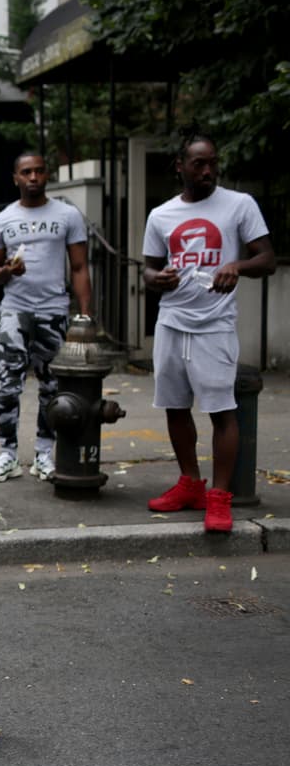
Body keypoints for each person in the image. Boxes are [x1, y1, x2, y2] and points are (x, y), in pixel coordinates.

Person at [141, 133, 275, 533]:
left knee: (221, 409)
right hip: (171, 320)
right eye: (198, 164)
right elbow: (147, 268)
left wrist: (237, 265)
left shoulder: (239, 204)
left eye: (212, 162)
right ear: (180, 166)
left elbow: (267, 258)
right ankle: (190, 484)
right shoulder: (161, 215)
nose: (208, 170)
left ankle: (219, 498)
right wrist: (157, 278)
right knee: (176, 406)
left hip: (215, 323)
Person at [0, 152, 92, 483]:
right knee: (7, 386)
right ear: (15, 177)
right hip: (15, 311)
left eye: (39, 172)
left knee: (53, 386)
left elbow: (79, 267)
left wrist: (85, 317)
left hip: (54, 312)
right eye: (26, 172)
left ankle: (45, 453)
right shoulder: (2, 219)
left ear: (47, 175)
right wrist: (6, 270)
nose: (33, 177)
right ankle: (8, 454)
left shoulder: (68, 215)